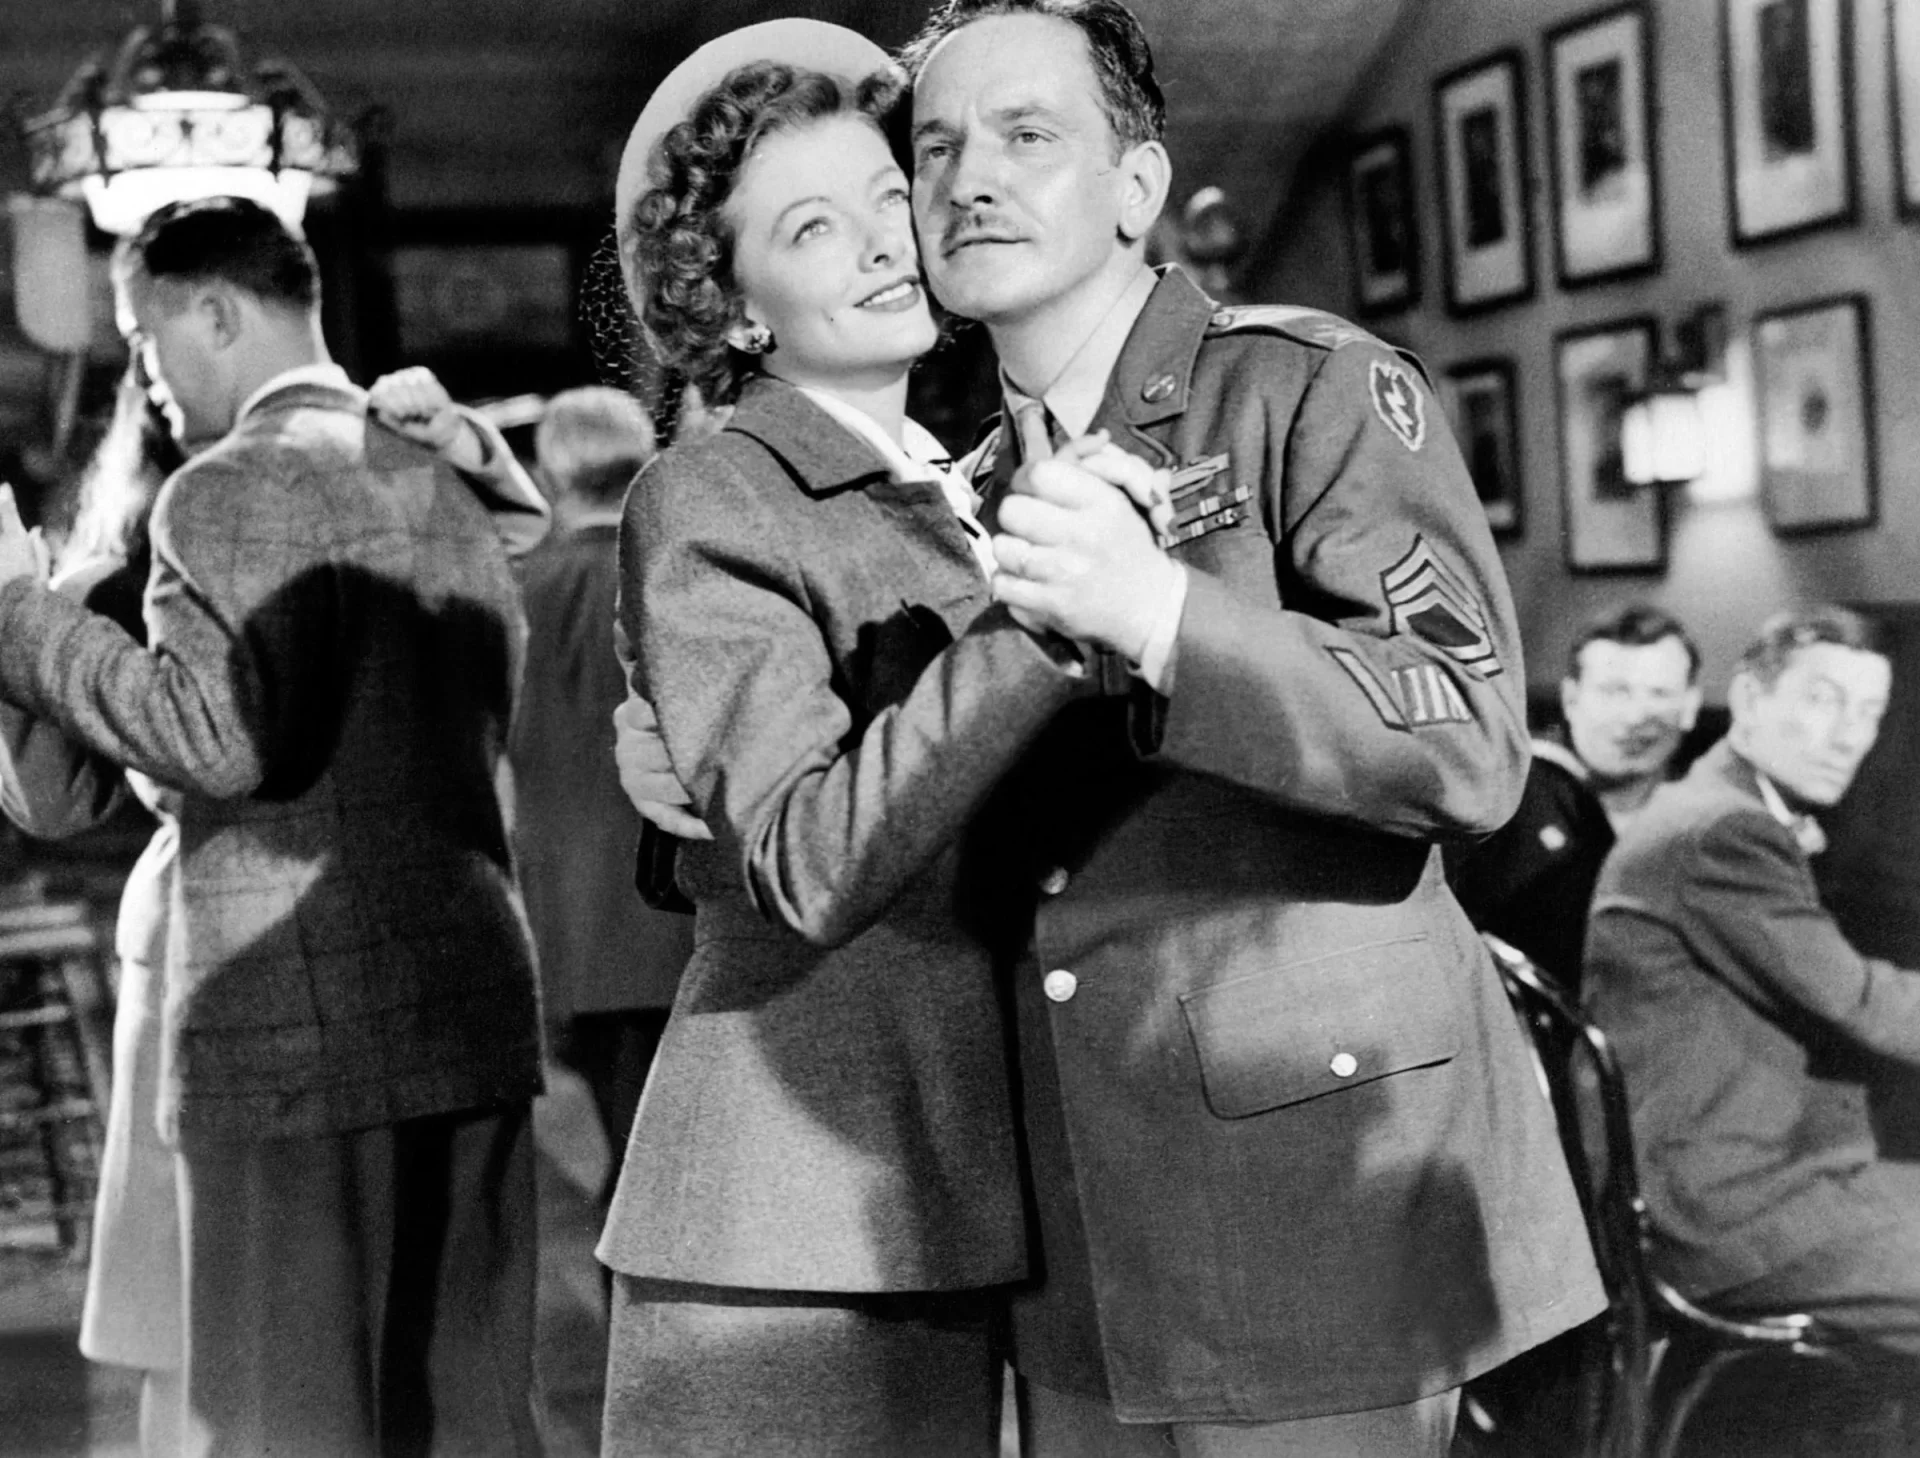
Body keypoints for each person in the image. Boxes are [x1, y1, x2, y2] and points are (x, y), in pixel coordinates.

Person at [625, 2, 1602, 1451]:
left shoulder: (1302, 384)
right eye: (935, 148)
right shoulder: (951, 492)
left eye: (1027, 135)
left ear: (1137, 187)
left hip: (1319, 1209)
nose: (968, 181)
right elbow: (858, 816)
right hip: (1076, 1234)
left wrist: (1163, 617)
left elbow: (1469, 738)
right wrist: (689, 819)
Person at [601, 20, 1165, 1456]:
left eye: (884, 198)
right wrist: (1037, 627)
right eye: (810, 228)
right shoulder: (714, 492)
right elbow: (804, 856)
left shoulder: (963, 485)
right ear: (736, 310)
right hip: (787, 1213)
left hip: (936, 1187)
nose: (878, 246)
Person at [0, 196, 546, 1458]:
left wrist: (23, 617)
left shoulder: (228, 484)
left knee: (282, 1417)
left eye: (145, 340)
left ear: (214, 312)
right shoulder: (442, 469)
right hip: (467, 1003)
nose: (146, 375)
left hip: (291, 1028)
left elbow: (220, 740)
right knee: (463, 1407)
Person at [1585, 606, 1920, 1361]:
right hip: (1724, 1216)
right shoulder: (1722, 832)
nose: (1850, 736)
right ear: (1749, 697)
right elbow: (1861, 1002)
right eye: (1824, 700)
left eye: (1869, 712)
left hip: (1746, 1175)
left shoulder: (1713, 806)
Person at [510, 386, 691, 1211]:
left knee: (629, 1146)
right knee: (669, 1169)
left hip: (565, 912)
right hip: (668, 905)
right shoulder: (666, 572)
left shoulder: (519, 588)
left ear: (552, 474)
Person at [1450, 603, 1702, 993]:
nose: (1635, 716)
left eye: (1659, 694)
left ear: (1690, 706)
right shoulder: (1505, 802)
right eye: (1614, 691)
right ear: (1571, 699)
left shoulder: (1704, 821)